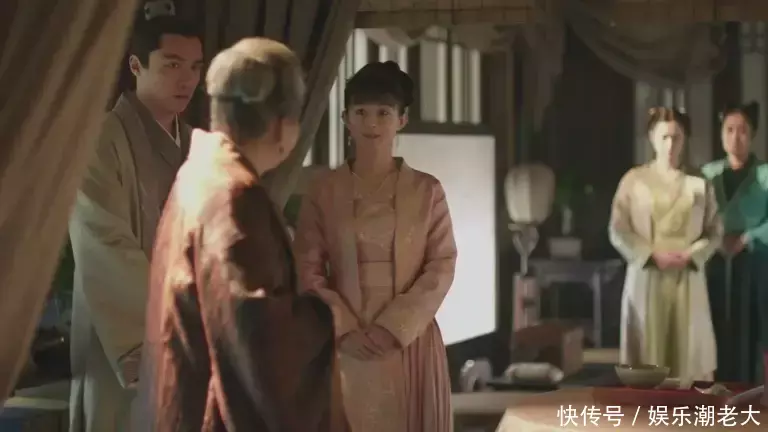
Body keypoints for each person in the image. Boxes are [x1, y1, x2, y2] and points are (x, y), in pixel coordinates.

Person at [138, 37, 349, 431]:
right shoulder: (235, 196)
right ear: (283, 126)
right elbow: (264, 341)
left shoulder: (200, 172)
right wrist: (324, 316)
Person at [294, 61, 458, 432]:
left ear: (402, 120)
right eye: (361, 112)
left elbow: (441, 264)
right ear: (345, 119)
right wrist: (343, 328)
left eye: (383, 113)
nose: (371, 123)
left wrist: (394, 327)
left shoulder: (427, 191)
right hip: (345, 340)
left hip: (409, 339)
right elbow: (306, 268)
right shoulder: (323, 190)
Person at [68, 16, 203, 432]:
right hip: (122, 330)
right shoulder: (98, 141)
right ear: (135, 65)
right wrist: (161, 334)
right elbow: (103, 240)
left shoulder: (199, 145)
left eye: (195, 67)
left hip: (193, 327)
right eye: (172, 64)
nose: (187, 79)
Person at [609, 107, 722, 384]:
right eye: (664, 137)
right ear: (651, 138)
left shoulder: (699, 183)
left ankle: (687, 407)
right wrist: (650, 255)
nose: (670, 144)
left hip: (687, 275)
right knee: (648, 350)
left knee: (687, 351)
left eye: (676, 137)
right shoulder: (634, 180)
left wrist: (693, 255)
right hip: (648, 273)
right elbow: (618, 229)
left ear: (685, 139)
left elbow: (715, 230)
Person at [702, 102, 768, 384]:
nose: (735, 137)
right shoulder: (708, 174)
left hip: (755, 261)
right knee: (714, 325)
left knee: (752, 328)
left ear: (752, 135)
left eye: (742, 130)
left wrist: (747, 238)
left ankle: (750, 392)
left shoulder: (765, 174)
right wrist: (715, 240)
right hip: (715, 260)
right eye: (729, 130)